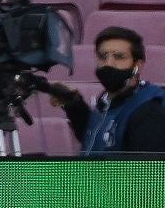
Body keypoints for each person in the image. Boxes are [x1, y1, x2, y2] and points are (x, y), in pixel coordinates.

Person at [50, 26, 165, 154]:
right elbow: (96, 139)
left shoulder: (150, 113)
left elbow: (145, 172)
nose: (108, 63)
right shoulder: (107, 100)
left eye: (119, 56)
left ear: (137, 65)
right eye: (103, 56)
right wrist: (74, 104)